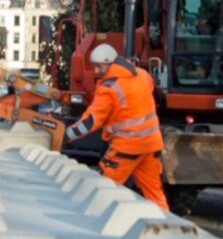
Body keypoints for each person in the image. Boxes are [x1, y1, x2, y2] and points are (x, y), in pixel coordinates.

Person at [63, 44, 169, 211]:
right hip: (151, 145)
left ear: (110, 63)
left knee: (103, 190)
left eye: (99, 66)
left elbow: (90, 122)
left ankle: (97, 226)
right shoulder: (143, 75)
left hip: (126, 147)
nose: (96, 71)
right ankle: (167, 228)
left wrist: (65, 136)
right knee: (155, 194)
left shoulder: (108, 88)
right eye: (94, 66)